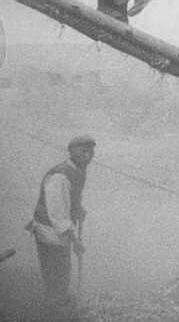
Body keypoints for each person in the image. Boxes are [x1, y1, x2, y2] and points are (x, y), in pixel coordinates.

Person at [26, 135, 95, 318]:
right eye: (83, 151)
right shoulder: (60, 176)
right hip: (50, 233)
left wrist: (78, 208)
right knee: (56, 276)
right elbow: (57, 216)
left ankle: (59, 306)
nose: (88, 156)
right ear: (71, 151)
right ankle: (54, 313)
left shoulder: (76, 170)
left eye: (91, 152)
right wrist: (76, 242)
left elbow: (70, 199)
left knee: (62, 273)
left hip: (58, 232)